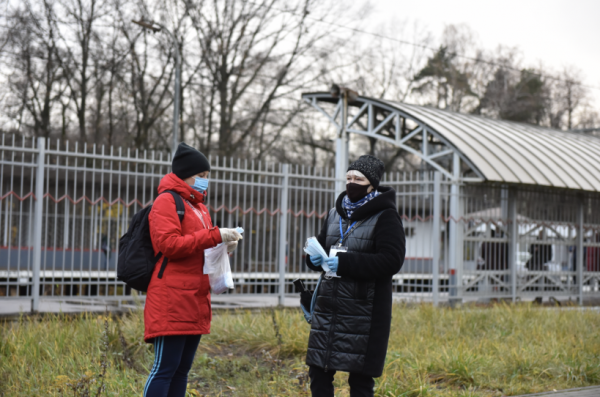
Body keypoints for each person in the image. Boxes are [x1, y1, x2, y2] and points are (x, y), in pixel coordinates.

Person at [143, 143, 242, 397]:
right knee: (165, 368)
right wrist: (213, 235)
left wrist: (224, 245)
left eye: (207, 177)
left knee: (182, 370)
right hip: (172, 297)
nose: (205, 182)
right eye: (201, 176)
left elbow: (203, 248)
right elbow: (169, 245)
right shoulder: (167, 202)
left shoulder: (199, 207)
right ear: (185, 174)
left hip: (196, 296)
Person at [305, 155, 406, 397]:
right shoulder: (334, 214)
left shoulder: (386, 216)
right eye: (348, 178)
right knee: (318, 374)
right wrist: (313, 259)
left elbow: (392, 260)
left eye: (358, 179)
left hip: (365, 310)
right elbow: (319, 247)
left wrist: (344, 262)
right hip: (329, 307)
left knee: (360, 383)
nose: (351, 183)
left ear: (372, 184)